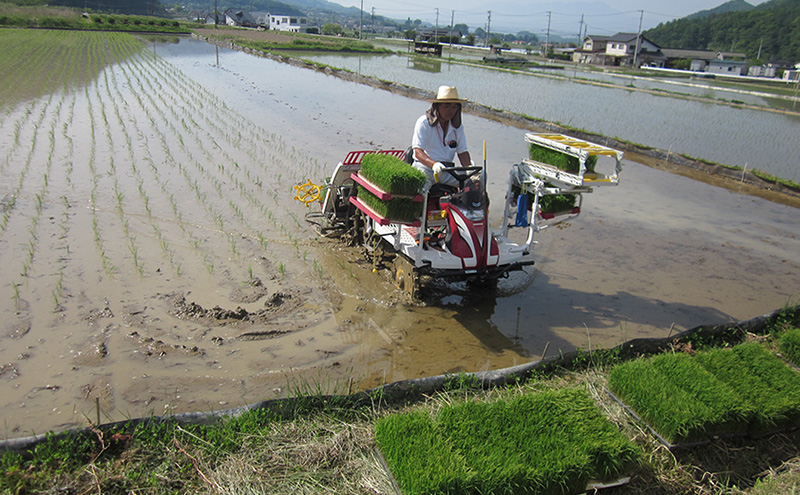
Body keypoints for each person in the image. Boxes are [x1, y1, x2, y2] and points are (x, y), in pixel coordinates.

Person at [411, 85, 472, 190]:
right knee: (422, 189)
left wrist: (470, 170)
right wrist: (434, 165)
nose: (451, 111)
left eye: (454, 107)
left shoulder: (457, 128)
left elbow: (462, 152)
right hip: (425, 169)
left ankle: (474, 206)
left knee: (477, 180)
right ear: (437, 106)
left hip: (447, 171)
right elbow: (418, 152)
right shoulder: (424, 123)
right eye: (447, 106)